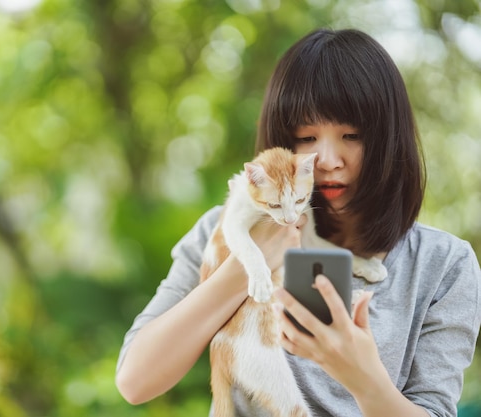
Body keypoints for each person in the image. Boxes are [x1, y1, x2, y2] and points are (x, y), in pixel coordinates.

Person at [115, 28, 481, 417]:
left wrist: (364, 379)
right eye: (307, 136)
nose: (327, 160)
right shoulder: (220, 229)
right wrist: (245, 266)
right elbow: (136, 381)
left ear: (390, 139)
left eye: (352, 135)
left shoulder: (442, 265)